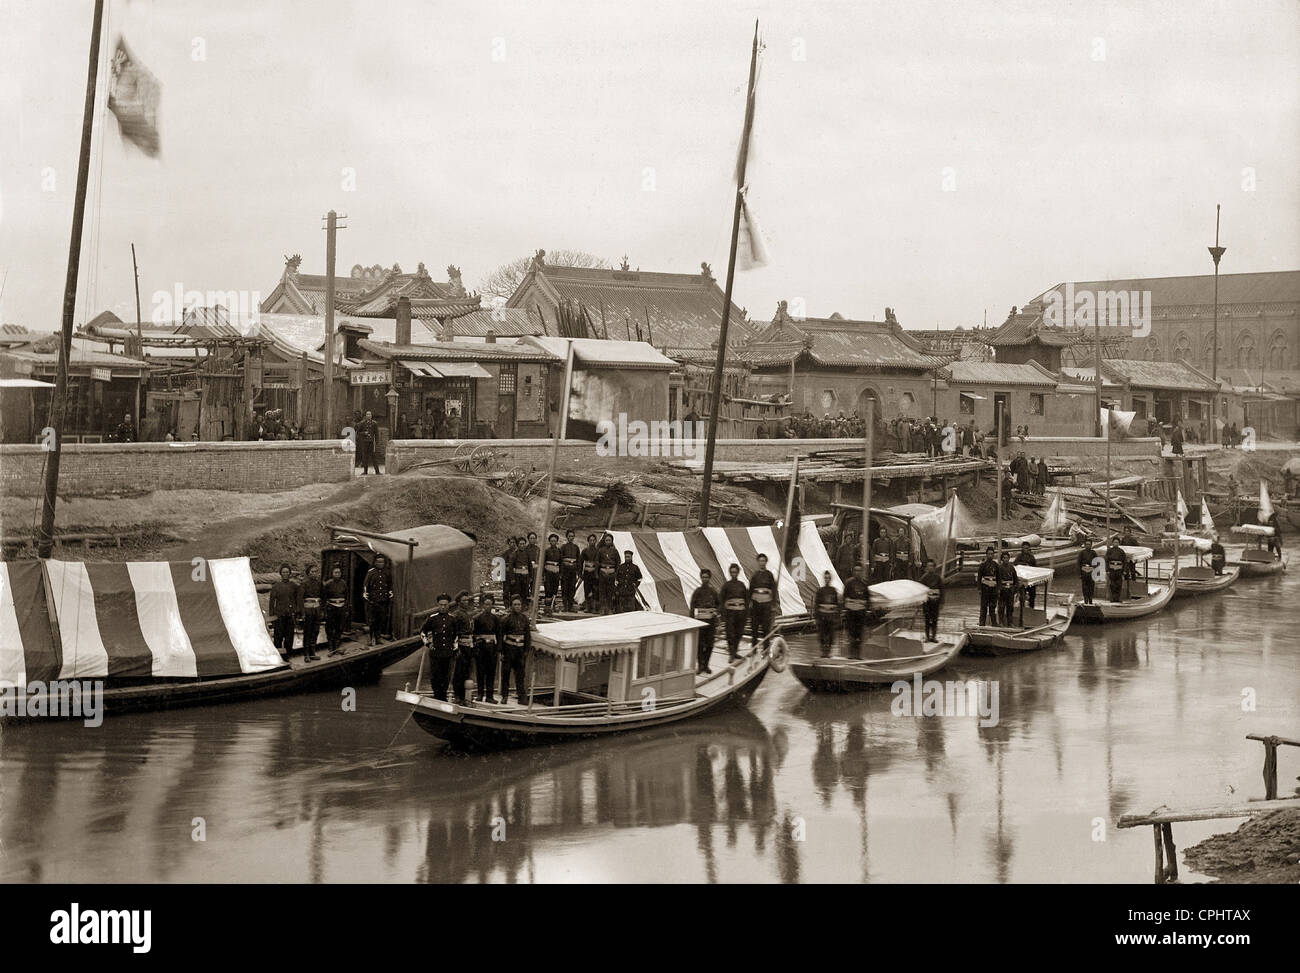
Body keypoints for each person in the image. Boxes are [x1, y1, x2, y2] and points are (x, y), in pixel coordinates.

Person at [420, 594, 458, 701]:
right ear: (438, 605)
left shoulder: (452, 619)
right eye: (441, 605)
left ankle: (443, 697)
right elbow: (423, 632)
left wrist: (454, 648)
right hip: (435, 652)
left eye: (445, 605)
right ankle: (437, 696)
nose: (443, 607)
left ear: (448, 606)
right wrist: (428, 644)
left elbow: (456, 635)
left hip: (448, 652)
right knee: (436, 676)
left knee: (446, 676)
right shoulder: (432, 619)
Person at [499, 596, 530, 704]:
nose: (517, 606)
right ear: (511, 606)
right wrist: (501, 652)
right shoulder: (506, 619)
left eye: (519, 604)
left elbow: (528, 636)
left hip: (520, 651)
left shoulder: (525, 619)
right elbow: (501, 636)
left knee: (520, 675)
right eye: (515, 604)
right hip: (509, 650)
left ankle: (521, 697)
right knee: (506, 673)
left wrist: (526, 650)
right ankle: (504, 696)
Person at [472, 593, 502, 703]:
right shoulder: (477, 618)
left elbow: (499, 634)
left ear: (492, 605)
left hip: (492, 649)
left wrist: (499, 648)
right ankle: (480, 694)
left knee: (491, 672)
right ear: (482, 605)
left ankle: (490, 696)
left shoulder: (496, 619)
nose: (487, 606)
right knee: (480, 672)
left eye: (489, 604)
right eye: (485, 604)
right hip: (481, 648)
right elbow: (474, 635)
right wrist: (475, 647)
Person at [689, 569, 720, 673]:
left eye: (706, 577)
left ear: (709, 578)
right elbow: (692, 607)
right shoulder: (697, 592)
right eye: (703, 577)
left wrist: (716, 614)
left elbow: (718, 605)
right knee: (699, 645)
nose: (705, 579)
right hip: (700, 623)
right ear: (701, 578)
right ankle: (700, 665)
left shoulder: (713, 592)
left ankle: (706, 665)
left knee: (710, 645)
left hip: (711, 623)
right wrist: (693, 621)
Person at [719, 564, 749, 662]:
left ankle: (735, 652)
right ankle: (731, 654)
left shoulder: (742, 585)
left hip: (740, 614)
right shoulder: (726, 585)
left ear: (738, 573)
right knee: (730, 633)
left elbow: (746, 600)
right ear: (730, 573)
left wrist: (746, 613)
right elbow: (721, 600)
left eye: (735, 572)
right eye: (732, 572)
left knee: (739, 633)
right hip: (730, 614)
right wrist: (723, 615)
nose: (734, 574)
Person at [268, 563, 299, 658]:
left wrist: (296, 612)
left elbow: (297, 600)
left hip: (290, 615)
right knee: (278, 636)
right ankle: (278, 656)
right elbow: (272, 603)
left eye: (287, 572)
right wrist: (272, 616)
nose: (285, 574)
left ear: (290, 573)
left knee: (289, 636)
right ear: (280, 574)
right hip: (279, 615)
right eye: (283, 572)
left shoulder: (294, 586)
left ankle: (288, 655)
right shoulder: (276, 586)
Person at [362, 553, 393, 645]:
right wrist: (367, 597)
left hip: (383, 600)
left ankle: (378, 638)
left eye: (382, 562)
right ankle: (371, 639)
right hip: (373, 601)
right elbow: (365, 586)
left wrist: (390, 596)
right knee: (372, 621)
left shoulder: (387, 572)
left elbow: (390, 586)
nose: (380, 563)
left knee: (380, 620)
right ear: (375, 562)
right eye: (378, 562)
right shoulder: (371, 573)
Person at [842, 563, 870, 659]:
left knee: (859, 635)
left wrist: (866, 611)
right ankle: (851, 655)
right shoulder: (849, 583)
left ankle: (857, 656)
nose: (857, 573)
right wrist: (846, 610)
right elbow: (845, 596)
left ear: (861, 572)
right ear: (853, 572)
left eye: (859, 571)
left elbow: (867, 599)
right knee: (851, 634)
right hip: (851, 612)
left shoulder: (864, 584)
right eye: (856, 571)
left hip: (860, 613)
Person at [451, 591, 475, 704]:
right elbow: (453, 633)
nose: (466, 602)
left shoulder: (467, 614)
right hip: (461, 645)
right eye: (463, 600)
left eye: (467, 600)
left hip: (469, 645)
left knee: (466, 671)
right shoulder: (457, 615)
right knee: (459, 672)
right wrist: (457, 648)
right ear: (459, 602)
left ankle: (465, 696)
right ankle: (457, 696)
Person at [748, 552, 777, 644]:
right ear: (758, 562)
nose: (762, 563)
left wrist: (773, 604)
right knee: (754, 627)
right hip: (756, 604)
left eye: (763, 561)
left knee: (766, 627)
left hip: (766, 604)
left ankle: (766, 648)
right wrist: (750, 602)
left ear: (766, 562)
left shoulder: (769, 575)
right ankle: (754, 649)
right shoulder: (755, 575)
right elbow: (751, 590)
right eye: (760, 561)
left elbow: (774, 590)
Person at [299, 562, 323, 662]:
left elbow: (323, 597)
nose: (314, 573)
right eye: (312, 572)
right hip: (308, 610)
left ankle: (313, 652)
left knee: (316, 631)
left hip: (317, 609)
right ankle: (306, 654)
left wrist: (321, 611)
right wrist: (303, 613)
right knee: (307, 632)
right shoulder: (304, 584)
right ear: (308, 573)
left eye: (316, 572)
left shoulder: (319, 583)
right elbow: (300, 599)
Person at [323, 564, 349, 655]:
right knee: (330, 627)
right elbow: (324, 597)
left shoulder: (343, 583)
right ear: (332, 573)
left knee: (340, 627)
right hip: (331, 608)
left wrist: (345, 607)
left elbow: (346, 595)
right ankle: (330, 646)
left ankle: (337, 644)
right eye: (335, 572)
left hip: (341, 607)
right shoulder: (328, 584)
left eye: (339, 572)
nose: (337, 574)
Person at [814, 571, 840, 656]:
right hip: (822, 617)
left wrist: (837, 617)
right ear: (824, 579)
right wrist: (816, 618)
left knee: (831, 635)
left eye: (828, 578)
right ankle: (823, 653)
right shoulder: (820, 591)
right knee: (822, 635)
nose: (827, 579)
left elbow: (837, 605)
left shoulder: (833, 591)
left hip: (831, 617)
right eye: (826, 578)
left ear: (830, 579)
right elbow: (816, 605)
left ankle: (828, 653)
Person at [918, 558, 944, 642]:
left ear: (934, 567)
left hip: (935, 601)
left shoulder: (938, 578)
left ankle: (933, 636)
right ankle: (927, 637)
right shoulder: (923, 578)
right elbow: (920, 590)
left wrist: (941, 603)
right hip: (927, 602)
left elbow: (942, 591)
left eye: (932, 566)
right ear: (926, 567)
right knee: (927, 619)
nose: (930, 568)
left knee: (935, 619)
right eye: (928, 566)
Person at [559, 529, 582, 612]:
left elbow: (579, 560)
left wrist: (578, 572)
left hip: (573, 571)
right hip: (565, 571)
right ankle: (565, 606)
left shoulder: (576, 547)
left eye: (572, 536)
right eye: (569, 536)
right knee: (565, 588)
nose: (571, 538)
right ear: (566, 537)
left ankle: (571, 606)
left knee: (572, 588)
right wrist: (561, 572)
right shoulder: (563, 547)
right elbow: (560, 560)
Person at [596, 534, 619, 614]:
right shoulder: (600, 550)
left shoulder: (615, 551)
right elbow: (597, 562)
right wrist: (597, 573)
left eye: (609, 540)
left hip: (611, 572)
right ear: (604, 541)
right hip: (602, 572)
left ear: (612, 541)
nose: (608, 542)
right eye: (606, 540)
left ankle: (609, 608)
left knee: (610, 591)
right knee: (602, 591)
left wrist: (616, 574)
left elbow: (618, 562)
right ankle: (602, 608)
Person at [976, 547, 999, 625]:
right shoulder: (983, 565)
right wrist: (979, 589)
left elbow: (999, 578)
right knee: (984, 606)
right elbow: (979, 578)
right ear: (986, 555)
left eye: (992, 554)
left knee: (992, 607)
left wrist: (998, 589)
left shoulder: (996, 565)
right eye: (989, 554)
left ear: (993, 555)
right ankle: (982, 623)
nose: (990, 556)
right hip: (985, 587)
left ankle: (994, 623)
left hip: (993, 588)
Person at [542, 533, 563, 614]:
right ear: (549, 542)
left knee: (555, 589)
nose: (553, 542)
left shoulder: (559, 551)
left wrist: (560, 573)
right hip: (548, 572)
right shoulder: (547, 551)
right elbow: (543, 563)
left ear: (557, 541)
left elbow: (560, 563)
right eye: (552, 541)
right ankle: (547, 607)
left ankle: (552, 605)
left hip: (556, 573)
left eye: (555, 541)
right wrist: (543, 574)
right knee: (548, 589)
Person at [509, 535, 533, 607]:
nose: (522, 545)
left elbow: (530, 566)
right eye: (520, 544)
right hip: (517, 577)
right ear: (517, 545)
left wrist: (530, 576)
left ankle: (524, 605)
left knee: (525, 592)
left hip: (525, 577)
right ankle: (517, 606)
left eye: (523, 544)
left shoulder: (527, 554)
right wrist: (512, 578)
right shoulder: (514, 554)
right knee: (517, 592)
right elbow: (511, 567)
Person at [1014, 541, 1038, 611]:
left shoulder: (1031, 557)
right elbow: (1015, 564)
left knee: (1032, 596)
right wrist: (1024, 565)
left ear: (1029, 549)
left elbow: (1035, 568)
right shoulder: (1019, 556)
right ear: (1022, 549)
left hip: (1030, 580)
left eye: (1027, 548)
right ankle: (1022, 609)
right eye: (1024, 548)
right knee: (1022, 596)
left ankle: (1031, 609)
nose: (1025, 550)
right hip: (1022, 579)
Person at [996, 550, 1018, 626]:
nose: (1006, 559)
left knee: (1010, 607)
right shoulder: (999, 568)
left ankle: (1010, 622)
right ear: (1002, 559)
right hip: (1002, 590)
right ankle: (1001, 622)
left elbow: (1015, 579)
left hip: (1010, 590)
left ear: (1009, 558)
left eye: (1007, 558)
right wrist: (999, 589)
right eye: (1004, 558)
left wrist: (1015, 589)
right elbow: (997, 580)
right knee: (1001, 607)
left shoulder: (1011, 568)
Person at [356, 410, 380, 474]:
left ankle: (377, 471)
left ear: (371, 416)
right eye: (367, 414)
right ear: (365, 416)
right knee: (365, 457)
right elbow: (358, 432)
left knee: (373, 457)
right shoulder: (362, 423)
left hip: (371, 442)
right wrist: (364, 433)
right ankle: (365, 471)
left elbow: (376, 433)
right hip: (364, 442)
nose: (368, 416)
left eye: (369, 414)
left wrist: (377, 441)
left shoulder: (374, 423)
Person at [580, 533, 600, 612]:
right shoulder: (585, 551)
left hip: (595, 574)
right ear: (588, 541)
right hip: (587, 573)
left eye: (593, 540)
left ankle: (594, 608)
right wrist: (580, 573)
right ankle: (588, 607)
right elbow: (580, 562)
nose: (592, 542)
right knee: (587, 590)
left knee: (595, 590)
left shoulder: (598, 551)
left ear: (595, 541)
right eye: (590, 540)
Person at [1104, 536, 1127, 603]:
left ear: (1119, 543)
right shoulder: (1109, 551)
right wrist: (1107, 570)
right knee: (1112, 585)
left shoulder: (1121, 551)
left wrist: (1124, 571)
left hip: (1119, 570)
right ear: (1112, 543)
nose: (1116, 543)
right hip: (1112, 570)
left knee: (1119, 584)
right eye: (1114, 542)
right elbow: (1107, 561)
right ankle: (1113, 598)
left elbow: (1124, 561)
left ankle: (1118, 598)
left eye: (1117, 542)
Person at [1078, 538, 1098, 605]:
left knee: (1091, 587)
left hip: (1091, 572)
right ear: (1085, 545)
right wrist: (1080, 573)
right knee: (1084, 587)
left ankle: (1090, 600)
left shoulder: (1093, 553)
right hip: (1084, 572)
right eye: (1086, 544)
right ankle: (1085, 600)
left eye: (1089, 544)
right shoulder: (1082, 553)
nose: (1088, 546)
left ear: (1091, 545)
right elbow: (1079, 563)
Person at [500, 536, 518, 605]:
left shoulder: (518, 552)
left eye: (514, 542)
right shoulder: (505, 553)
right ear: (508, 543)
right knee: (506, 590)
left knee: (515, 590)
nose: (512, 544)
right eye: (511, 542)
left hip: (515, 574)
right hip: (507, 574)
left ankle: (513, 605)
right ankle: (506, 605)